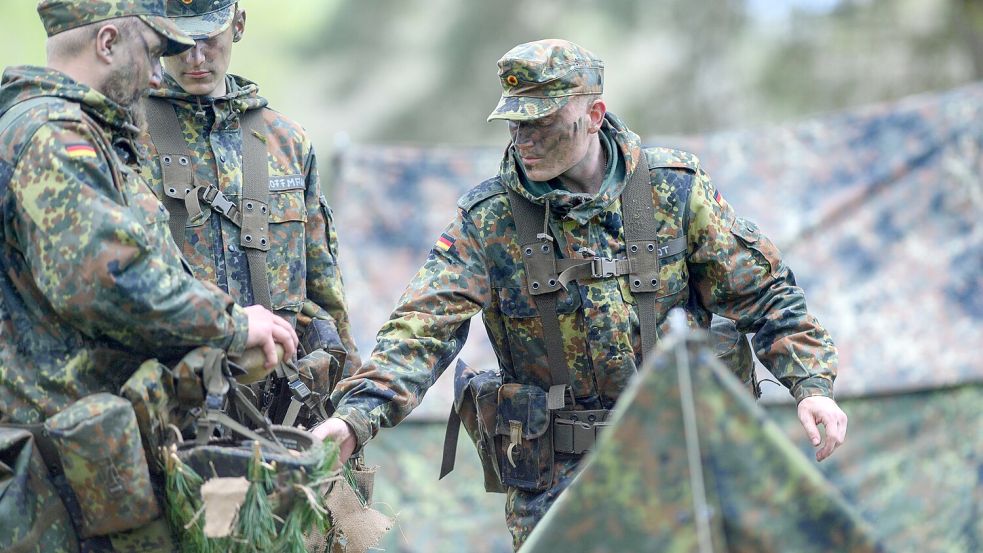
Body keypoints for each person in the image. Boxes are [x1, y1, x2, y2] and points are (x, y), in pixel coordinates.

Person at [314, 39, 849, 549]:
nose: (524, 141)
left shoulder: (674, 190)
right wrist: (354, 417)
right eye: (516, 124)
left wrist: (811, 384)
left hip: (682, 459)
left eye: (542, 122)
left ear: (594, 115)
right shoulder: (489, 219)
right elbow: (421, 329)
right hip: (556, 484)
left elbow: (764, 293)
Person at [0, 0, 297, 549]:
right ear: (108, 43)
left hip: (86, 474)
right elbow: (107, 280)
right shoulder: (51, 138)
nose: (162, 71)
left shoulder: (77, 134)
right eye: (153, 50)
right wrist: (232, 324)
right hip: (54, 490)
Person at [137, 0, 360, 425]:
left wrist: (348, 405)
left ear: (238, 25)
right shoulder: (128, 139)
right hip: (171, 409)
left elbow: (324, 289)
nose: (195, 57)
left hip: (282, 409)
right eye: (179, 42)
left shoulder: (287, 142)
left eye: (208, 38)